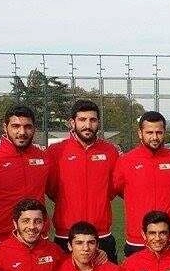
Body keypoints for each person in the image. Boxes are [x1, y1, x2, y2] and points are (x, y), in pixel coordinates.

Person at [47, 100, 120, 261]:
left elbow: (113, 189)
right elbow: (51, 190)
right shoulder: (56, 152)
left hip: (101, 235)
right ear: (72, 122)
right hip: (66, 235)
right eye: (82, 120)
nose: (88, 125)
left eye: (92, 120)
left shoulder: (110, 151)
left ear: (98, 122)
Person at [0, 105, 50, 252]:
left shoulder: (44, 158)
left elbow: (53, 190)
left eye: (27, 127)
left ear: (34, 128)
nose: (22, 132)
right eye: (15, 126)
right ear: (5, 127)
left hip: (37, 239)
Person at [113, 112, 170, 258]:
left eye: (159, 132)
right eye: (149, 132)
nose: (155, 137)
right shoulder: (126, 161)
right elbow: (119, 189)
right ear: (140, 133)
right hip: (137, 239)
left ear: (164, 132)